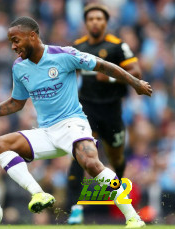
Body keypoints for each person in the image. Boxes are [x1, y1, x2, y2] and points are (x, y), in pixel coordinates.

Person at [0, 16, 151, 228]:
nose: (13, 46)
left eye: (16, 40)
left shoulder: (64, 55)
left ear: (32, 36)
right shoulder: (19, 68)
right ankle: (38, 194)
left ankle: (133, 218)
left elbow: (103, 66)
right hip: (47, 132)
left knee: (92, 164)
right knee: (1, 145)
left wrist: (136, 83)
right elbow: (16, 103)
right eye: (11, 41)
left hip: (72, 125)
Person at [66, 4, 142, 224]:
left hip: (112, 109)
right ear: (86, 23)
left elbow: (136, 72)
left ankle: (121, 201)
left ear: (105, 22)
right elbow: (68, 73)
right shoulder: (78, 47)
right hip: (86, 109)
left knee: (117, 158)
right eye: (91, 19)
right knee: (79, 155)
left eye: (99, 18)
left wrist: (109, 77)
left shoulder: (117, 46)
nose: (95, 22)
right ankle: (74, 207)